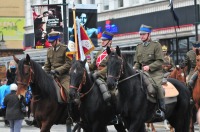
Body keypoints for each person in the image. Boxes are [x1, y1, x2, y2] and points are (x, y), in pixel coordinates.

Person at [134, 24, 165, 119]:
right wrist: (135, 68)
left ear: (149, 34)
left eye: (143, 34)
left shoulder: (156, 45)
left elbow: (160, 61)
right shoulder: (138, 46)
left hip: (155, 72)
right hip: (141, 72)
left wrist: (149, 67)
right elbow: (137, 62)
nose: (141, 36)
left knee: (157, 86)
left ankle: (161, 109)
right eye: (140, 34)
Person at [43, 31, 71, 102]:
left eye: (52, 42)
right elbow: (47, 65)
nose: (51, 44)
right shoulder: (49, 50)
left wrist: (57, 70)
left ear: (57, 40)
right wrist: (44, 73)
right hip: (51, 76)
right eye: (50, 42)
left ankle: (71, 109)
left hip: (63, 76)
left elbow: (68, 64)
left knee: (69, 92)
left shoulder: (66, 49)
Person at [89, 31, 114, 105]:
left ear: (110, 41)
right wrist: (85, 67)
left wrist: (99, 73)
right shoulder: (99, 52)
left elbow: (110, 67)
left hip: (107, 76)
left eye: (104, 40)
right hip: (96, 74)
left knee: (112, 94)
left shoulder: (113, 53)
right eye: (102, 40)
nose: (102, 42)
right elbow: (93, 66)